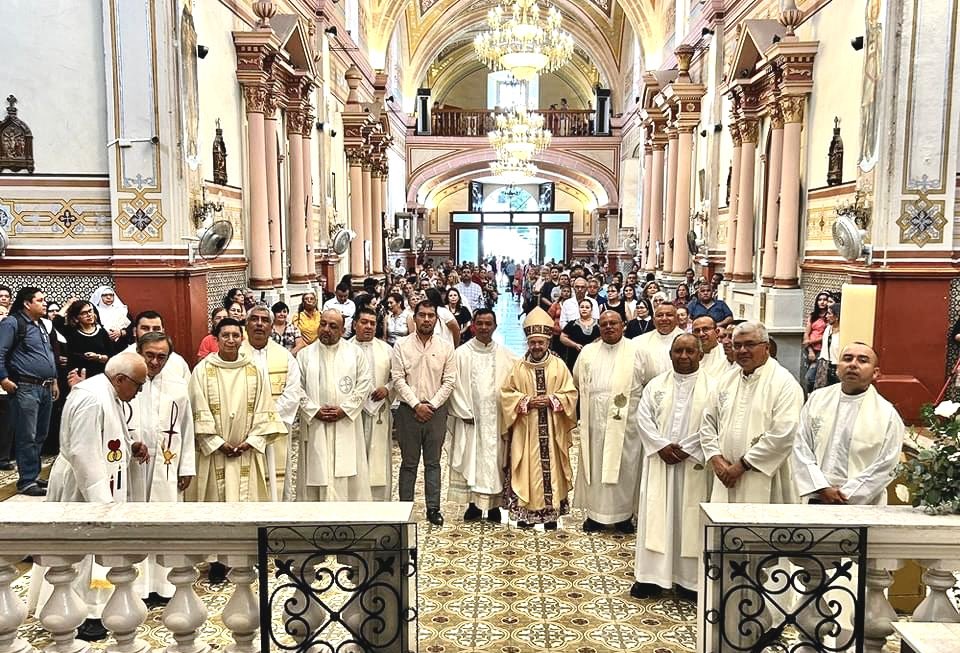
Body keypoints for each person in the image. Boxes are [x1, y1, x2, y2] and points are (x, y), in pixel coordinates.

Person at [42, 352, 149, 641]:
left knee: (93, 554)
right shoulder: (91, 397)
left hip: (96, 482)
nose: (138, 392)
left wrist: (130, 444)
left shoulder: (105, 391)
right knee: (81, 551)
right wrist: (102, 504)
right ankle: (82, 613)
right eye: (137, 385)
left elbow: (107, 434)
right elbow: (83, 451)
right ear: (120, 379)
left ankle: (95, 607)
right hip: (82, 489)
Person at [632, 333, 715, 600]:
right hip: (660, 462)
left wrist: (687, 449)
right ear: (670, 355)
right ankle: (650, 577)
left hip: (694, 466)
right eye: (678, 351)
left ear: (700, 355)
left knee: (689, 518)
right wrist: (661, 446)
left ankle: (690, 580)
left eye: (690, 351)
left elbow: (713, 425)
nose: (684, 356)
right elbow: (643, 418)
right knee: (656, 515)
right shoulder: (656, 385)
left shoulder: (714, 388)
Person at [126, 332, 195, 607]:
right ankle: (137, 585)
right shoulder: (127, 381)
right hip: (133, 465)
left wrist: (186, 466)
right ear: (138, 352)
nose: (155, 362)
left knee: (164, 522)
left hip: (167, 463)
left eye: (161, 357)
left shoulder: (178, 387)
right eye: (149, 355)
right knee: (137, 523)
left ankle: (163, 585)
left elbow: (186, 429)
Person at [700, 321, 803, 504]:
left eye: (749, 344)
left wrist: (742, 465)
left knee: (760, 530)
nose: (742, 350)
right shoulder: (726, 380)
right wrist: (715, 458)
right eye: (737, 345)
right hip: (725, 475)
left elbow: (784, 433)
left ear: (766, 347)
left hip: (763, 475)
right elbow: (708, 422)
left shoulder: (784, 383)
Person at [188, 318, 286, 504]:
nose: (231, 340)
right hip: (215, 453)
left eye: (235, 335)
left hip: (246, 452)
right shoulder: (202, 371)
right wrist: (217, 442)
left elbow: (264, 408)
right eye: (225, 335)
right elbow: (196, 409)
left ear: (243, 339)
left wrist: (251, 442)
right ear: (216, 339)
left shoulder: (254, 370)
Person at [793, 341, 904, 506]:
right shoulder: (817, 399)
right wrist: (821, 488)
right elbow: (801, 446)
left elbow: (887, 464)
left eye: (862, 360)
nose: (853, 364)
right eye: (847, 358)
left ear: (875, 373)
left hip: (862, 501)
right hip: (817, 494)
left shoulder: (887, 414)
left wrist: (847, 494)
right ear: (838, 368)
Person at [501, 308, 578, 529]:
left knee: (552, 469)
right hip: (526, 429)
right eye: (532, 342)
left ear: (547, 343)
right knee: (526, 468)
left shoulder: (558, 366)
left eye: (540, 343)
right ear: (528, 342)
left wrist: (553, 400)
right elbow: (506, 394)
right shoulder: (518, 366)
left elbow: (571, 393)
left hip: (552, 429)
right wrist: (525, 401)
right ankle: (525, 514)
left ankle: (551, 515)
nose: (536, 346)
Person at [573, 311, 645, 533]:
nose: (609, 327)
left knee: (624, 467)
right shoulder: (588, 351)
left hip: (626, 422)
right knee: (595, 465)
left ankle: (623, 516)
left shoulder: (637, 350)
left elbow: (648, 380)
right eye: (604, 324)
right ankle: (594, 515)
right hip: (594, 420)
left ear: (623, 325)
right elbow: (577, 379)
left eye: (614, 323)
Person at [447, 308, 518, 522]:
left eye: (489, 324)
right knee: (471, 459)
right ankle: (473, 505)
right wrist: (463, 411)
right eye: (480, 323)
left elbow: (516, 386)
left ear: (495, 326)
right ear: (474, 325)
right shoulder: (461, 354)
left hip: (496, 420)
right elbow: (453, 385)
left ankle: (495, 505)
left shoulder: (507, 355)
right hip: (471, 418)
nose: (484, 328)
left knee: (495, 461)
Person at [391, 300, 456, 526]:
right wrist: (416, 404)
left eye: (431, 315)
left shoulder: (446, 347)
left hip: (435, 412)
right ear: (414, 318)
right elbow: (398, 379)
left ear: (436, 319)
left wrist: (432, 405)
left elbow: (449, 381)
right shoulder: (401, 345)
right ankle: (405, 508)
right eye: (422, 315)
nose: (426, 319)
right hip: (408, 412)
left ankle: (433, 508)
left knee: (433, 462)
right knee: (408, 463)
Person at [296, 309, 372, 502]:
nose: (326, 329)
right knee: (317, 468)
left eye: (333, 326)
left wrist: (344, 410)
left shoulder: (355, 354)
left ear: (343, 330)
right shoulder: (304, 355)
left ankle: (350, 519)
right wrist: (314, 411)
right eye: (323, 324)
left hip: (346, 424)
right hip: (316, 425)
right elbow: (296, 388)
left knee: (348, 472)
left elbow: (363, 385)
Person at [0, 287, 59, 496]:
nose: (44, 304)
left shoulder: (41, 325)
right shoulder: (13, 323)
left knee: (40, 434)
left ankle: (33, 476)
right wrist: (3, 378)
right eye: (40, 300)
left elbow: (49, 353)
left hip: (45, 386)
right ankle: (26, 482)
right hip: (25, 386)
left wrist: (54, 381)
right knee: (28, 435)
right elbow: (1, 351)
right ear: (27, 303)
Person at [241, 306, 303, 501]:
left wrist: (266, 418)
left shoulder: (285, 357)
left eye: (264, 320)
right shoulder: (234, 355)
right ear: (246, 324)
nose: (259, 324)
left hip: (277, 428)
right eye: (254, 320)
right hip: (244, 431)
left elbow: (293, 393)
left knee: (277, 483)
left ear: (271, 326)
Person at [353, 307, 395, 501]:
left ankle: (380, 501)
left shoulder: (386, 349)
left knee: (379, 455)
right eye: (364, 322)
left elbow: (398, 377)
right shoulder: (345, 349)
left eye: (372, 323)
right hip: (354, 414)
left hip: (380, 412)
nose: (368, 327)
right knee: (355, 455)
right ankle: (356, 499)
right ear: (355, 324)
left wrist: (387, 388)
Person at [122, 311, 191, 382]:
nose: (151, 332)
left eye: (156, 329)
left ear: (163, 332)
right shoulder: (122, 360)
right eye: (145, 328)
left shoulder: (177, 362)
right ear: (134, 331)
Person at [55, 299, 114, 380]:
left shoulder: (102, 332)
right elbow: (56, 323)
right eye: (84, 313)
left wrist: (98, 357)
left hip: (99, 377)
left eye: (90, 311)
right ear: (76, 318)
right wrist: (68, 304)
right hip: (77, 377)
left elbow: (111, 355)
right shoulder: (70, 332)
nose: (89, 315)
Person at [634, 303, 684, 384]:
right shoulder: (639, 342)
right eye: (660, 315)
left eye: (669, 315)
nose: (664, 319)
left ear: (677, 319)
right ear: (653, 320)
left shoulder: (688, 341)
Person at [559, 299, 600, 370]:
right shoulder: (572, 324)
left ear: (591, 309)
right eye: (582, 307)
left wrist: (594, 344)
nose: (584, 309)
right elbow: (562, 337)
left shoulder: (599, 324)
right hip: (575, 359)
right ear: (578, 309)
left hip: (594, 358)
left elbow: (604, 337)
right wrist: (575, 345)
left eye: (587, 307)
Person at [802, 292, 831, 392]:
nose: (822, 302)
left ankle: (813, 397)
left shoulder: (829, 316)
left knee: (811, 378)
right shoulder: (813, 316)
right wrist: (810, 349)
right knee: (807, 377)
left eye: (825, 299)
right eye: (820, 299)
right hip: (810, 350)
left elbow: (827, 335)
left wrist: (811, 341)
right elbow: (807, 333)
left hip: (821, 351)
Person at [815, 303, 842, 389]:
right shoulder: (828, 329)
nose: (826, 316)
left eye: (829, 313)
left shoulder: (843, 333)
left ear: (836, 317)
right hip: (825, 364)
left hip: (836, 366)